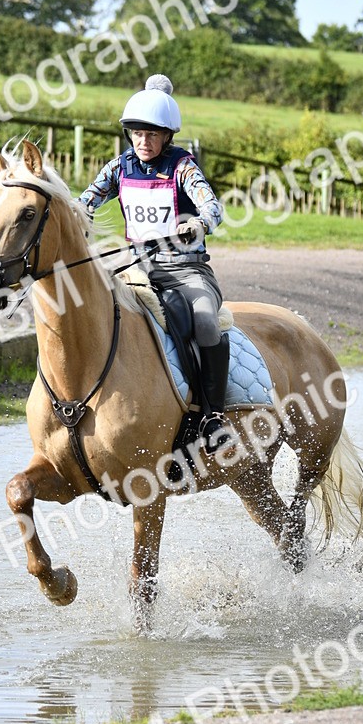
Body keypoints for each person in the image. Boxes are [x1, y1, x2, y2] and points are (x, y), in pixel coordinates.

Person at [78, 74, 233, 453]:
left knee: (206, 321)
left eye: (151, 134)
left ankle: (213, 415)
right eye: (136, 134)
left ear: (167, 136)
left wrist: (197, 223)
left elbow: (213, 208)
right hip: (137, 269)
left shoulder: (182, 166)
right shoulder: (119, 167)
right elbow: (85, 202)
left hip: (186, 272)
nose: (143, 142)